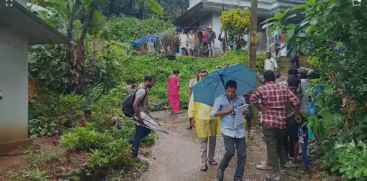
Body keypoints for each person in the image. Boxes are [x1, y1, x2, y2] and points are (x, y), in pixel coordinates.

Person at [250, 70, 300, 181]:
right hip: (282, 122)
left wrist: (261, 109)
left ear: (264, 79)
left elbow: (252, 99)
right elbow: (296, 101)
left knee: (272, 147)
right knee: (281, 145)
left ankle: (276, 174)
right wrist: (296, 113)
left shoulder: (262, 89)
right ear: (274, 78)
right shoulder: (283, 88)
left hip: (269, 122)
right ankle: (285, 167)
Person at [212, 80, 248, 181]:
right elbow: (213, 113)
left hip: (240, 129)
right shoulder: (220, 99)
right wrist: (226, 111)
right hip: (227, 130)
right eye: (229, 91)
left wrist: (245, 112)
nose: (231, 93)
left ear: (236, 90)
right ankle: (221, 168)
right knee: (230, 152)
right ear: (226, 90)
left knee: (242, 154)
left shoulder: (241, 98)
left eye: (233, 91)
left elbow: (245, 110)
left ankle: (238, 177)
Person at [188, 70, 221, 171]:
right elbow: (192, 103)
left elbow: (219, 100)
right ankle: (203, 162)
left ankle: (211, 159)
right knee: (203, 141)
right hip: (201, 117)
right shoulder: (197, 89)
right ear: (199, 76)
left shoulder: (214, 88)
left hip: (213, 117)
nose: (204, 77)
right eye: (202, 76)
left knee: (213, 140)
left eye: (205, 75)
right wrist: (191, 117)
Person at [130, 75, 155, 159]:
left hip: (142, 115)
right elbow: (135, 105)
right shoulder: (142, 90)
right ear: (147, 81)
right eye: (152, 82)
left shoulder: (144, 88)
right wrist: (139, 118)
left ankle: (131, 142)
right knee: (139, 134)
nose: (153, 83)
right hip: (140, 115)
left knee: (148, 130)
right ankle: (134, 155)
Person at [285, 77, 301, 167]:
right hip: (286, 120)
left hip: (292, 121)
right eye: (290, 88)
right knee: (286, 139)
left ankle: (295, 159)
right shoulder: (286, 95)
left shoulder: (297, 96)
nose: (292, 90)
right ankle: (288, 157)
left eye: (293, 88)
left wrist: (287, 117)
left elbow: (296, 111)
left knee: (295, 140)